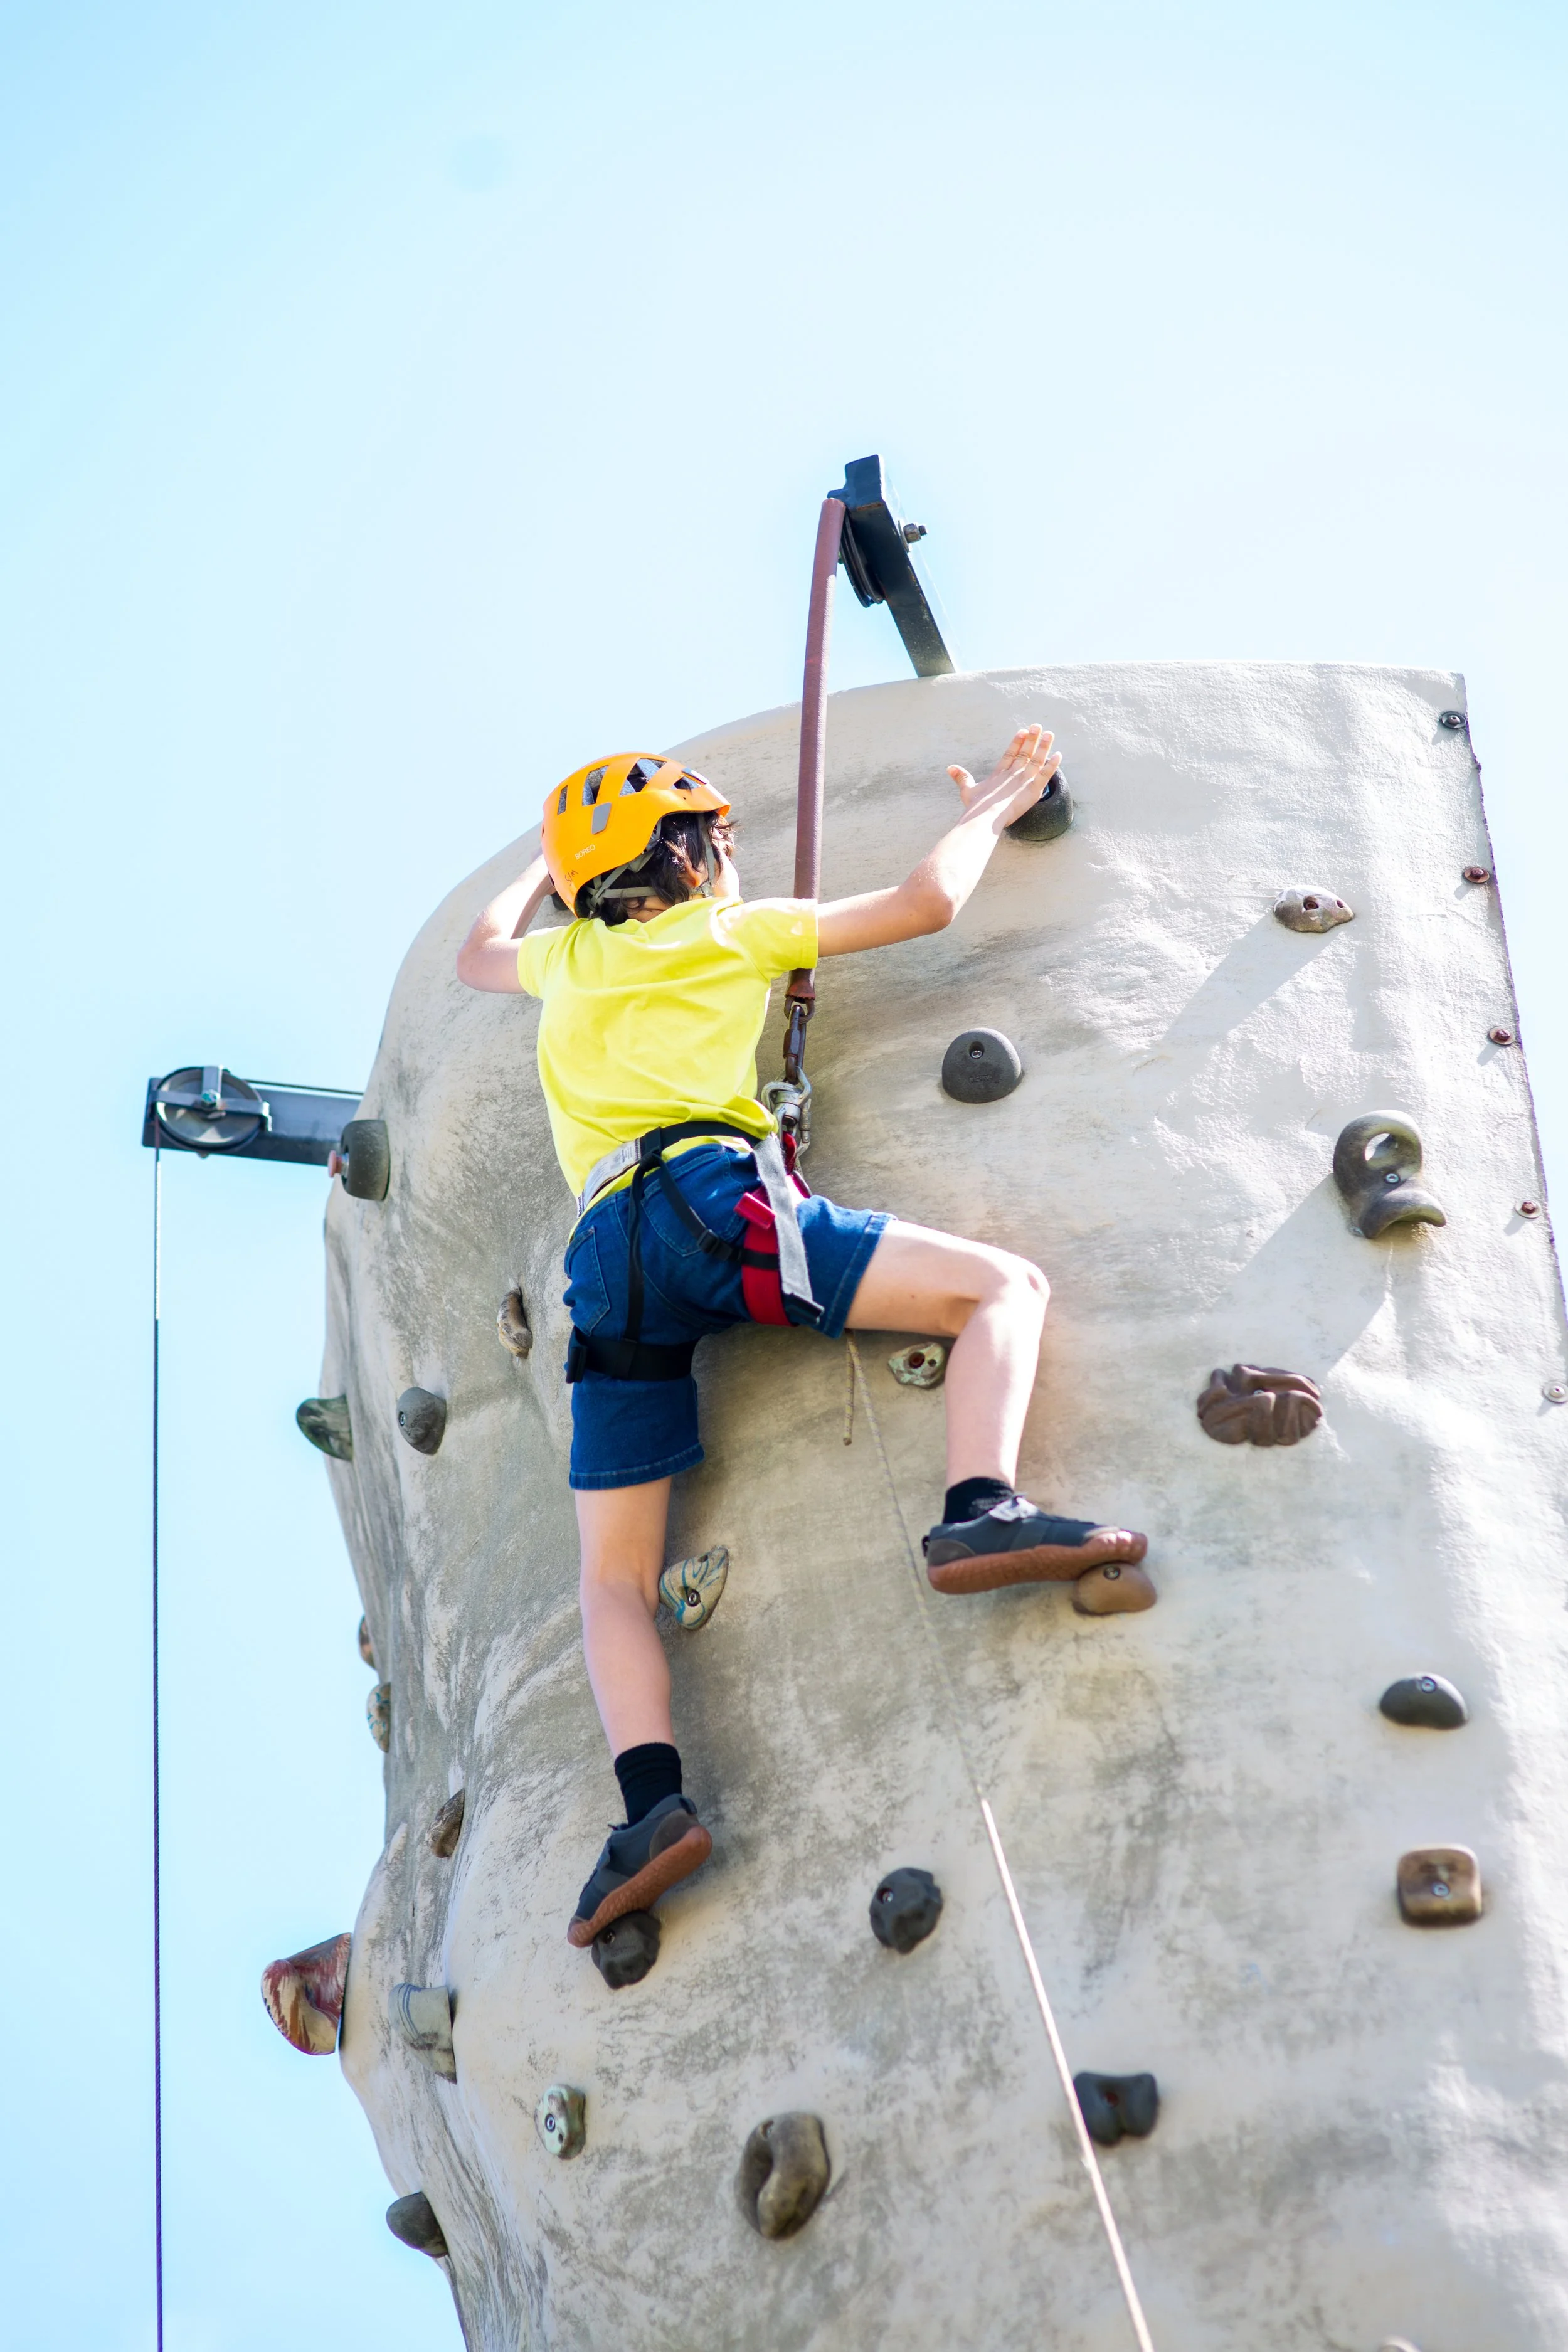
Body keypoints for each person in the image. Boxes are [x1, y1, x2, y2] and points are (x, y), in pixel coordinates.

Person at [456, 726, 1148, 1951]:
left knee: (611, 1575)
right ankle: (976, 1503)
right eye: (712, 840)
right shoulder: (727, 931)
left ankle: (647, 1808)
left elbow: (476, 957)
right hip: (711, 1199)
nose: (727, 858)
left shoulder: (564, 963)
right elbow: (927, 902)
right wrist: (994, 800)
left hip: (604, 1254)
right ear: (681, 855)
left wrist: (541, 872)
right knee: (998, 1290)